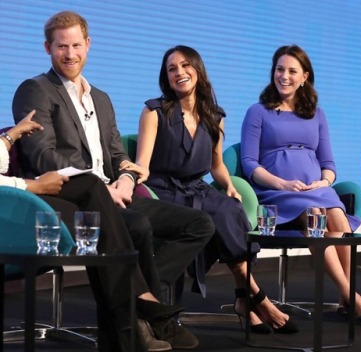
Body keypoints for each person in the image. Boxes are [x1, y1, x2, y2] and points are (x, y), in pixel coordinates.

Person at [11, 11, 215, 350]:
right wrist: (99, 185)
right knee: (135, 226)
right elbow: (41, 155)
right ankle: (142, 313)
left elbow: (118, 153)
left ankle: (139, 305)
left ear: (88, 45)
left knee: (198, 224)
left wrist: (124, 179)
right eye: (62, 46)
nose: (70, 54)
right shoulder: (35, 90)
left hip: (114, 194)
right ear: (48, 47)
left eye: (77, 45)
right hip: (69, 197)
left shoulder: (101, 99)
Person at [128, 45, 297, 334]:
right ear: (165, 77)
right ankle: (257, 299)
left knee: (230, 208)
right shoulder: (154, 111)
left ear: (198, 69)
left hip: (197, 188)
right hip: (163, 190)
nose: (179, 72)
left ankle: (247, 300)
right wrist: (134, 174)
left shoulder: (214, 116)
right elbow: (142, 162)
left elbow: (216, 164)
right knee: (218, 218)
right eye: (172, 69)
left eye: (185, 66)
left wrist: (229, 185)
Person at [1, 111, 175, 351]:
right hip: (11, 209)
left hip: (17, 199)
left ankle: (128, 325)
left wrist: (11, 135)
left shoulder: (99, 99)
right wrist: (33, 185)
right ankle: (135, 310)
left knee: (98, 199)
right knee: (104, 213)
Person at [240, 44, 361, 323]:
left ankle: (343, 298)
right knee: (317, 217)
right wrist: (281, 183)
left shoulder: (317, 115)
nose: (284, 76)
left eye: (291, 71)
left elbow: (329, 165)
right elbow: (250, 164)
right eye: (279, 69)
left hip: (314, 189)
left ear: (305, 77)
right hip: (277, 191)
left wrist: (322, 183)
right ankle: (351, 296)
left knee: (337, 216)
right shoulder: (258, 111)